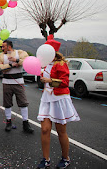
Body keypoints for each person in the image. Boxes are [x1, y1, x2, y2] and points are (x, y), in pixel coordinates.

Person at [37, 35, 80, 169]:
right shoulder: (43, 63)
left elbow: (65, 83)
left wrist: (49, 81)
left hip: (59, 98)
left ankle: (65, 158)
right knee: (44, 129)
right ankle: (46, 159)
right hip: (46, 98)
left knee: (61, 130)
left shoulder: (60, 64)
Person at [0, 40, 34, 133]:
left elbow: (26, 62)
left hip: (18, 82)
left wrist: (17, 60)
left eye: (3, 46)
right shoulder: (0, 56)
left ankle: (25, 123)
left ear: (9, 46)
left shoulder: (20, 53)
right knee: (7, 103)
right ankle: (8, 122)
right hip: (6, 82)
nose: (2, 48)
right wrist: (11, 65)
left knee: (23, 102)